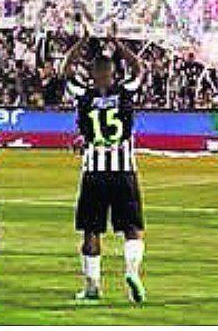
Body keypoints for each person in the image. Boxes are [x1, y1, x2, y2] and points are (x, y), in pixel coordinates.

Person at [61, 26, 150, 304]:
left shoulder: (84, 95)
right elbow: (140, 71)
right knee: (132, 228)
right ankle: (132, 272)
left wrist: (83, 42)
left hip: (94, 171)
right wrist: (118, 44)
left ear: (93, 72)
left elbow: (65, 70)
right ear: (112, 72)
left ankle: (92, 287)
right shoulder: (124, 92)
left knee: (91, 230)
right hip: (123, 169)